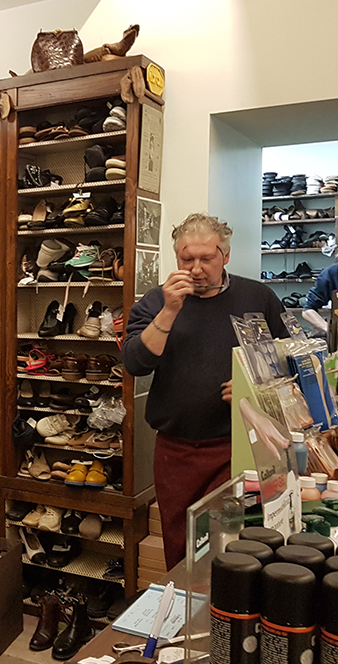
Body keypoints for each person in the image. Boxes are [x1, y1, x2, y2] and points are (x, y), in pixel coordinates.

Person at [122, 213, 287, 569]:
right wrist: (169, 311)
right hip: (176, 450)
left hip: (237, 446)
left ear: (225, 256)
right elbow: (135, 363)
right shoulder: (156, 301)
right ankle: (185, 603)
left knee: (232, 545)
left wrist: (252, 383)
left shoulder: (258, 297)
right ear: (177, 257)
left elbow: (289, 361)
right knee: (180, 544)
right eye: (187, 259)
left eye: (206, 259)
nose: (196, 269)